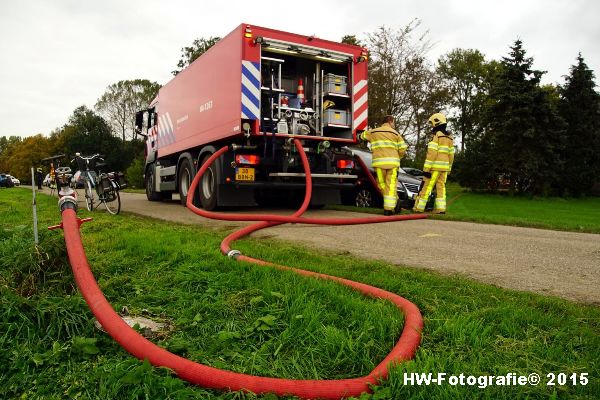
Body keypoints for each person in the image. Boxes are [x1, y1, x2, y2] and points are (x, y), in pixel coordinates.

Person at [361, 115, 408, 215]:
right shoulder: (396, 134)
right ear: (390, 121)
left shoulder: (373, 132)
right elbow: (403, 149)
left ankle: (391, 206)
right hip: (393, 164)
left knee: (381, 184)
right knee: (390, 185)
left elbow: (362, 136)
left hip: (379, 163)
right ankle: (391, 206)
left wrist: (357, 136)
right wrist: (398, 156)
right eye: (393, 122)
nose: (394, 125)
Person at [413, 112, 455, 214]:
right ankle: (441, 209)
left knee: (427, 187)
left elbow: (431, 154)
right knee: (441, 188)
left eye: (432, 123)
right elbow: (451, 155)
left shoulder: (436, 136)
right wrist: (449, 168)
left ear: (437, 123)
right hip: (444, 169)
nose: (432, 126)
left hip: (434, 168)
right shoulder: (450, 138)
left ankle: (419, 208)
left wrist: (426, 170)